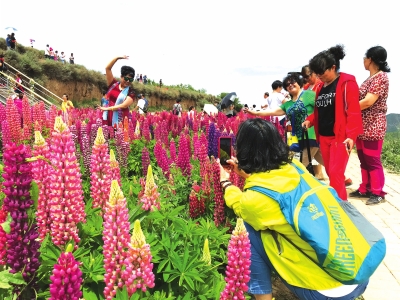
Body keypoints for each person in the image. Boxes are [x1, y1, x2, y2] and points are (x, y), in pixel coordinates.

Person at [219, 118, 369, 300]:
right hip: (358, 275)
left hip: (324, 293)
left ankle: (263, 297)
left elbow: (240, 203)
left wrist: (225, 181)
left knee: (248, 232)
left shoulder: (254, 201)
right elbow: (272, 183)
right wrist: (243, 173)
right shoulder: (295, 167)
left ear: (243, 151)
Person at [302, 45, 363, 201]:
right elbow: (319, 111)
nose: (318, 76)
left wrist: (351, 135)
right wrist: (309, 120)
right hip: (323, 137)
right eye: (317, 73)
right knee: (331, 172)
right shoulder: (321, 87)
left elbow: (354, 111)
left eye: (321, 72)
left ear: (333, 67)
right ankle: (339, 202)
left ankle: (340, 207)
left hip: (341, 138)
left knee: (336, 173)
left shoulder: (347, 83)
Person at [246, 73, 324, 171]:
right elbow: (272, 111)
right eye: (287, 85)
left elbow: (323, 108)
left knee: (298, 168)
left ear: (299, 83)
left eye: (292, 82)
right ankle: (343, 178)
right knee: (325, 161)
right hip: (300, 138)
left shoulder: (309, 94)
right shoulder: (288, 104)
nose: (290, 85)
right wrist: (253, 112)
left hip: (311, 136)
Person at [349, 46, 390, 205]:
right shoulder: (370, 78)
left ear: (371, 59)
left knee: (372, 160)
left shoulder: (381, 77)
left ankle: (378, 191)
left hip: (374, 125)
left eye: (365, 58)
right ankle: (365, 188)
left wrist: (347, 110)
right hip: (362, 126)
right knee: (363, 159)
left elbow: (368, 102)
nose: (363, 61)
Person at [301, 66, 326, 180]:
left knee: (307, 155)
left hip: (315, 124)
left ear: (314, 73)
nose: (307, 79)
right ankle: (342, 177)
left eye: (308, 76)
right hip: (307, 125)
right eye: (304, 77)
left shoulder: (320, 86)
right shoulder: (307, 87)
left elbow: (319, 108)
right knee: (320, 155)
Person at [99, 55, 136, 126]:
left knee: (118, 135)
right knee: (106, 133)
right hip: (107, 115)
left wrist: (107, 108)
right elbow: (107, 68)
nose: (128, 81)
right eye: (126, 78)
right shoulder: (113, 84)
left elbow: (124, 105)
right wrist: (118, 58)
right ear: (121, 76)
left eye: (131, 79)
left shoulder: (131, 92)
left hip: (120, 117)